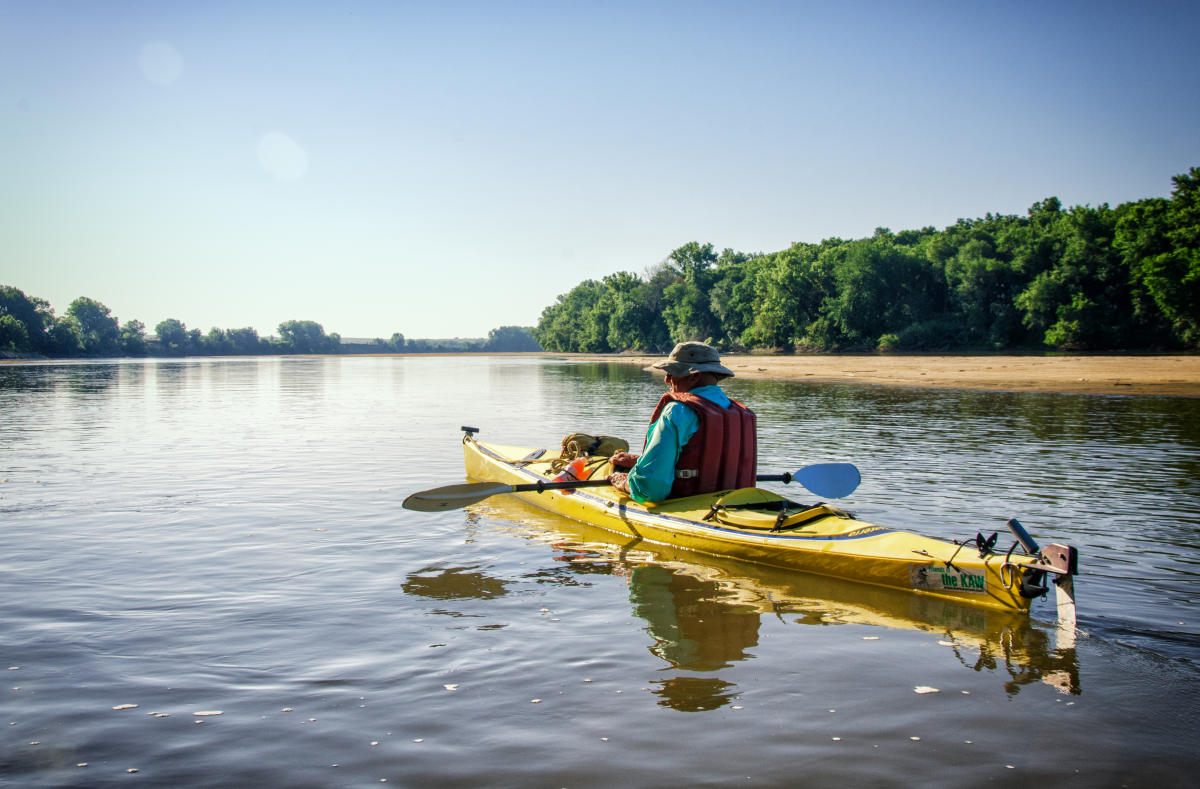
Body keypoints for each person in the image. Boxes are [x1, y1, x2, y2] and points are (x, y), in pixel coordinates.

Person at [608, 342, 756, 503]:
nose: (667, 380)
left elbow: (650, 489)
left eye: (672, 373)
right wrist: (640, 461)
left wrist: (625, 481)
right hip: (738, 503)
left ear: (694, 375)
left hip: (690, 508)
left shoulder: (677, 411)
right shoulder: (740, 412)